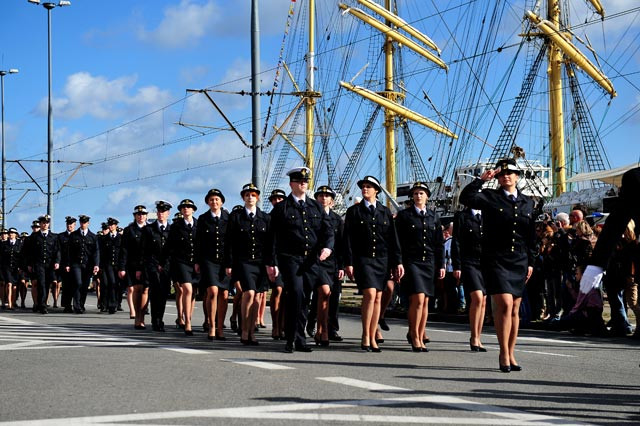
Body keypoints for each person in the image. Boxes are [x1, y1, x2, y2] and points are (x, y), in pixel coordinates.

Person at [459, 158, 536, 373]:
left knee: (515, 309)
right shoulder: (490, 197)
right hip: (496, 259)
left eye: (510, 173)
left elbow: (530, 235)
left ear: (517, 176)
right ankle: (503, 353)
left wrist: (531, 261)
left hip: (519, 260)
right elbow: (466, 198)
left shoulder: (528, 202)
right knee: (504, 303)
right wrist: (480, 180)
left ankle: (512, 353)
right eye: (502, 174)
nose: (506, 176)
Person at [266, 167, 334, 353]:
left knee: (304, 298)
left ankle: (300, 338)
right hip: (290, 259)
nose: (303, 184)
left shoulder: (315, 206)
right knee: (295, 294)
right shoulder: (282, 208)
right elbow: (272, 238)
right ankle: (290, 338)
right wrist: (271, 263)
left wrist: (328, 247)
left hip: (311, 261)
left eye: (305, 181)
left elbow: (327, 230)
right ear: (291, 184)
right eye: (299, 181)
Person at [344, 175, 403, 353]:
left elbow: (393, 239)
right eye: (363, 186)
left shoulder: (385, 212)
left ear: (376, 190)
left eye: (369, 186)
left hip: (382, 260)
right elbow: (348, 239)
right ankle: (365, 335)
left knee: (378, 297)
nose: (365, 189)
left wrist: (397, 262)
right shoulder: (354, 212)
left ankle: (372, 334)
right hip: (363, 259)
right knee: (369, 294)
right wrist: (349, 262)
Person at [396, 182, 444, 352]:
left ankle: (419, 332)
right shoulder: (404, 216)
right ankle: (415, 336)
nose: (418, 196)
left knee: (425, 302)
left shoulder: (433, 217)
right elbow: (398, 242)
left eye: (421, 193)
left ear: (427, 196)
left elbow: (439, 243)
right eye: (415, 193)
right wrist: (398, 262)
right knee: (417, 298)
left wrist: (441, 264)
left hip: (429, 262)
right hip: (412, 262)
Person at [225, 183, 270, 346]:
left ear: (257, 197)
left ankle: (252, 331)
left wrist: (272, 263)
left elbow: (270, 243)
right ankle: (244, 330)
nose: (250, 197)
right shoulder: (236, 217)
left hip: (260, 262)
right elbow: (229, 242)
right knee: (249, 293)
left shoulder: (265, 218)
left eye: (253, 195)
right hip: (243, 262)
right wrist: (229, 263)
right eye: (247, 195)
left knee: (257, 296)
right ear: (243, 197)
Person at [308, 185, 344, 346]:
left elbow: (343, 244)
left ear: (332, 200)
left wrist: (342, 266)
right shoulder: (311, 217)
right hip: (315, 261)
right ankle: (320, 329)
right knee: (323, 293)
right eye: (321, 196)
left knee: (331, 297)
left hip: (333, 263)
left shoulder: (337, 220)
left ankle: (327, 328)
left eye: (327, 196)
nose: (324, 198)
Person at [452, 206, 487, 351]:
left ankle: (478, 336)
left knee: (484, 300)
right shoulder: (462, 216)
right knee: (477, 297)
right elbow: (457, 241)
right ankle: (473, 337)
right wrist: (457, 265)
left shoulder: (488, 214)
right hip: (469, 261)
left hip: (486, 262)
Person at [195, 190, 229, 340]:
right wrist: (197, 261)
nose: (214, 202)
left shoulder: (229, 218)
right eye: (211, 200)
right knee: (213, 292)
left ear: (221, 202)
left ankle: (221, 327)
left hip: (225, 260)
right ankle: (212, 325)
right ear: (207, 202)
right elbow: (198, 242)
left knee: (224, 294)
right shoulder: (203, 219)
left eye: (216, 199)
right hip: (208, 260)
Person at [164, 199, 198, 335]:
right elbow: (169, 246)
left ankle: (188, 316)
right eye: (183, 207)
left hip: (195, 261)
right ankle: (187, 321)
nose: (186, 209)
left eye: (189, 207)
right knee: (187, 290)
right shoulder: (176, 226)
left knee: (193, 292)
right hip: (181, 262)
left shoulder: (199, 224)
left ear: (193, 210)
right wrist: (163, 262)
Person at [23, 215, 61, 314]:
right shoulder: (34, 237)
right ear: (40, 224)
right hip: (38, 263)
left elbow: (57, 250)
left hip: (49, 264)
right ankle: (42, 305)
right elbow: (30, 252)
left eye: (47, 223)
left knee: (47, 284)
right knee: (41, 284)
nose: (45, 225)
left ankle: (41, 303)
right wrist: (30, 264)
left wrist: (57, 261)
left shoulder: (54, 237)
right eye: (43, 223)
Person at [119, 205, 149, 329]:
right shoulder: (129, 230)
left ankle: (142, 315)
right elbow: (124, 249)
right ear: (135, 216)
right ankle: (138, 317)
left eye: (143, 214)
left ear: (146, 216)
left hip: (147, 264)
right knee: (136, 289)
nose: (141, 216)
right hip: (132, 264)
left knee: (145, 290)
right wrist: (122, 267)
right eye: (138, 214)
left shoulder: (150, 229)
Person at [64, 215, 100, 314]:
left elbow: (96, 252)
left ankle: (81, 304)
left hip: (88, 265)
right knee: (78, 283)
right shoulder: (74, 235)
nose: (83, 224)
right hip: (76, 264)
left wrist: (96, 264)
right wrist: (67, 264)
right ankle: (76, 306)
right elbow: (69, 251)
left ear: (88, 223)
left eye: (85, 222)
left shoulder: (93, 237)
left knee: (84, 286)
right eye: (81, 222)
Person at [267, 189, 287, 340]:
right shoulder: (269, 218)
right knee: (278, 290)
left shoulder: (289, 215)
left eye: (280, 198)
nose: (277, 201)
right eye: (274, 199)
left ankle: (284, 324)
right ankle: (275, 325)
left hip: (290, 259)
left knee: (289, 293)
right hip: (275, 259)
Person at [99, 217, 121, 315]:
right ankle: (110, 305)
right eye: (110, 225)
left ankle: (115, 303)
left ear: (116, 226)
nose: (111, 226)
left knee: (116, 285)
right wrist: (100, 266)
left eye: (113, 225)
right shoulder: (104, 238)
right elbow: (101, 253)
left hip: (117, 265)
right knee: (108, 284)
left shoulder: (121, 238)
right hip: (107, 265)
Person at [0, 228, 23, 310]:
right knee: (9, 284)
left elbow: (22, 257)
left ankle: (13, 302)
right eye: (9, 233)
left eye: (12, 233)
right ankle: (9, 304)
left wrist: (21, 267)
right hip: (6, 267)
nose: (11, 234)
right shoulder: (4, 244)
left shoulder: (20, 244)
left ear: (16, 234)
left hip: (16, 268)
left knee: (14, 287)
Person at [59, 216, 77, 312]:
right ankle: (67, 305)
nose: (69, 226)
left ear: (75, 225)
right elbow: (59, 251)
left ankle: (77, 304)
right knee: (66, 286)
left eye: (71, 224)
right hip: (64, 264)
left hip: (76, 264)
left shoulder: (78, 236)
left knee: (76, 284)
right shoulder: (61, 236)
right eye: (68, 224)